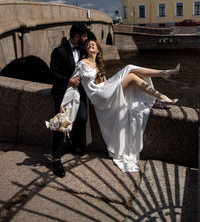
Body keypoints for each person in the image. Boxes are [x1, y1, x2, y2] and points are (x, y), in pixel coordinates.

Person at [60, 39, 180, 173]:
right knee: (130, 71)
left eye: (93, 44)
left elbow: (103, 82)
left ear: (98, 50)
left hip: (105, 89)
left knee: (132, 74)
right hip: (99, 96)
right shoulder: (81, 64)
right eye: (88, 44)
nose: (90, 44)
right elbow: (72, 84)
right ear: (86, 49)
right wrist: (63, 103)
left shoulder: (98, 64)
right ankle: (162, 78)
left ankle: (162, 89)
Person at [50, 24, 89, 178]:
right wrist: (69, 81)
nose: (86, 39)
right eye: (84, 36)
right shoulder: (59, 51)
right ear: (77, 36)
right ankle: (56, 159)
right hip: (63, 93)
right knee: (61, 125)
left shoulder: (83, 50)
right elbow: (52, 74)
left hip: (78, 93)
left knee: (82, 118)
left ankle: (73, 144)